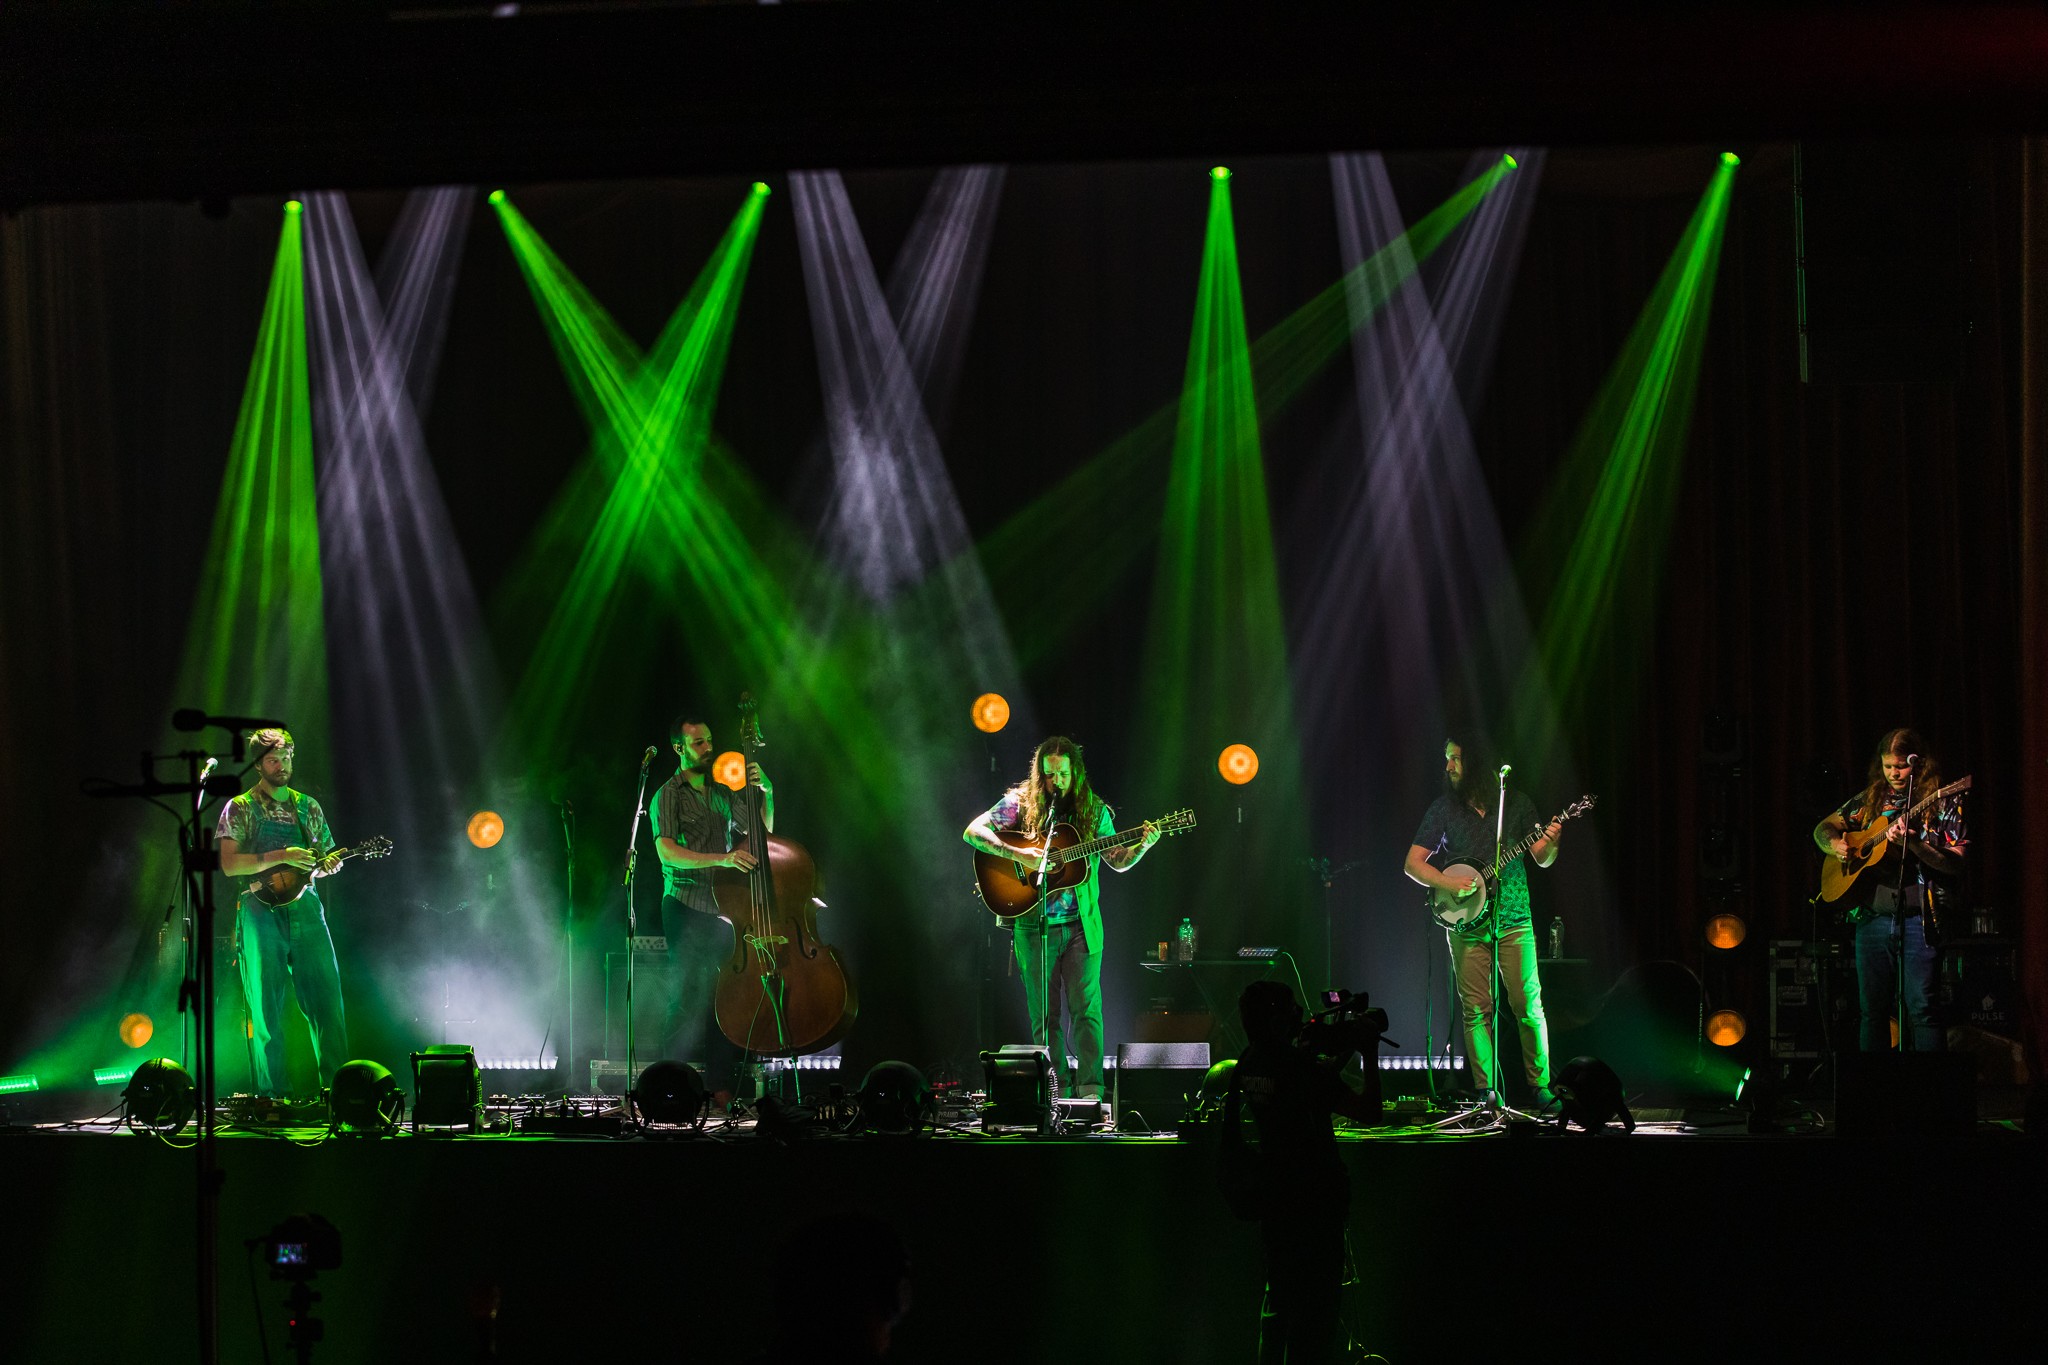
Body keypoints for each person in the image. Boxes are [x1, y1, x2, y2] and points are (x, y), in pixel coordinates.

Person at [961, 736, 1157, 1101]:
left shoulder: (1094, 810)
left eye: (1064, 774)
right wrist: (1021, 855)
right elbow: (973, 832)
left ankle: (1090, 1094)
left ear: (1075, 772)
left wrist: (1141, 845)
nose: (1057, 783)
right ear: (1040, 774)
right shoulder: (1020, 804)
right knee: (1044, 1017)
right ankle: (1053, 1092)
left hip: (1081, 928)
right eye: (1050, 775)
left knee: (1087, 1012)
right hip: (1032, 927)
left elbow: (1117, 860)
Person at [1402, 734, 1562, 1108]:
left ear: (1474, 763)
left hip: (1514, 918)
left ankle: (1541, 1088)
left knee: (1528, 1006)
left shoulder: (1517, 803)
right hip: (1466, 923)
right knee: (1476, 1010)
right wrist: (1448, 882)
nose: (1448, 767)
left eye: (1454, 759)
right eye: (1448, 759)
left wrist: (1552, 841)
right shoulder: (1443, 808)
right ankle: (1485, 1092)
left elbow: (1542, 858)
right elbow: (1412, 863)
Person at [1230, 980, 1380, 1365]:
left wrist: (1331, 1054)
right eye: (1293, 1011)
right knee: (1314, 1322)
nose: (1300, 1017)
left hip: (1275, 1202)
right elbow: (1370, 1111)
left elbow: (1310, 1085)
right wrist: (1370, 1052)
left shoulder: (1249, 1061)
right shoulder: (1300, 1070)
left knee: (1278, 1308)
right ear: (1278, 1019)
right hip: (1314, 1207)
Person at [1812, 728, 1966, 1053]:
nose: (1894, 774)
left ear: (1919, 763)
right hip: (1873, 918)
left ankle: (1930, 1094)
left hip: (1919, 920)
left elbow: (1956, 863)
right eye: (1887, 766)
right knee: (1872, 1011)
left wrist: (1917, 846)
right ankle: (1874, 1093)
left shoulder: (1942, 801)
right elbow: (1823, 827)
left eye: (1901, 766)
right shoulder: (1873, 798)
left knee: (1922, 1008)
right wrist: (1837, 845)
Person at [215, 728, 350, 1098]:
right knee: (266, 1009)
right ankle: (272, 1098)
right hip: (259, 910)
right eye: (274, 760)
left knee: (327, 1001)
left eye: (287, 757)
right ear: (259, 764)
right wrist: (280, 856)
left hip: (306, 908)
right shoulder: (240, 806)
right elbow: (228, 865)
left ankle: (339, 1093)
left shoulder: (308, 806)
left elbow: (320, 862)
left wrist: (329, 865)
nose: (282, 765)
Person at [649, 710, 771, 1097]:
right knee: (685, 998)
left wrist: (767, 791)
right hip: (684, 904)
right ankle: (673, 1088)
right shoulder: (667, 795)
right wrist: (721, 859)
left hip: (721, 908)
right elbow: (667, 852)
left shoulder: (721, 791)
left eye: (709, 740)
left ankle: (720, 1089)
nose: (708, 748)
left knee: (725, 999)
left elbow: (761, 831)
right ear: (678, 748)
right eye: (698, 742)